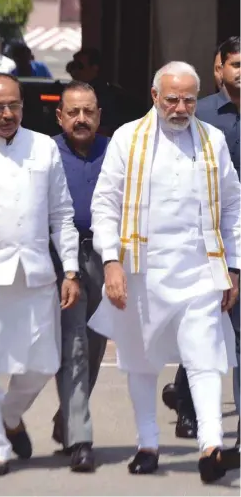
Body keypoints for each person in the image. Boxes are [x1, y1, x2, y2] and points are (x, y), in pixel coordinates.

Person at [88, 61, 240, 483]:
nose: (180, 107)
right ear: (154, 96)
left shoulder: (212, 139)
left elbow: (232, 204)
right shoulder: (126, 139)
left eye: (189, 99)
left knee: (206, 358)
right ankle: (148, 442)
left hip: (199, 269)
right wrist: (111, 261)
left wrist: (234, 266)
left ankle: (210, 446)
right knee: (141, 360)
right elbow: (104, 205)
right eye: (172, 99)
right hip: (141, 271)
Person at [0, 72, 80, 477]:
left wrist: (71, 269)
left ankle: (11, 416)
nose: (8, 114)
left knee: (43, 363)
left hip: (35, 275)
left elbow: (61, 215)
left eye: (14, 105)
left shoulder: (44, 148)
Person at [163, 37, 241, 445]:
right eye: (235, 64)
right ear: (219, 69)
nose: (240, 71)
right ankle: (188, 407)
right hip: (207, 238)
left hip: (237, 235)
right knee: (204, 328)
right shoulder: (201, 115)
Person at [51, 81, 108, 472]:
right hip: (62, 260)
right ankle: (81, 439)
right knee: (73, 345)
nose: (82, 119)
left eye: (88, 111)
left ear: (99, 115)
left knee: (95, 344)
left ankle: (67, 419)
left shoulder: (115, 150)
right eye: (74, 112)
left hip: (107, 259)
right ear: (60, 116)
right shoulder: (46, 152)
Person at [66, 48, 146, 135]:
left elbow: (109, 126)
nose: (76, 70)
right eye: (73, 66)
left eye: (80, 66)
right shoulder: (72, 92)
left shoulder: (106, 94)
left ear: (94, 67)